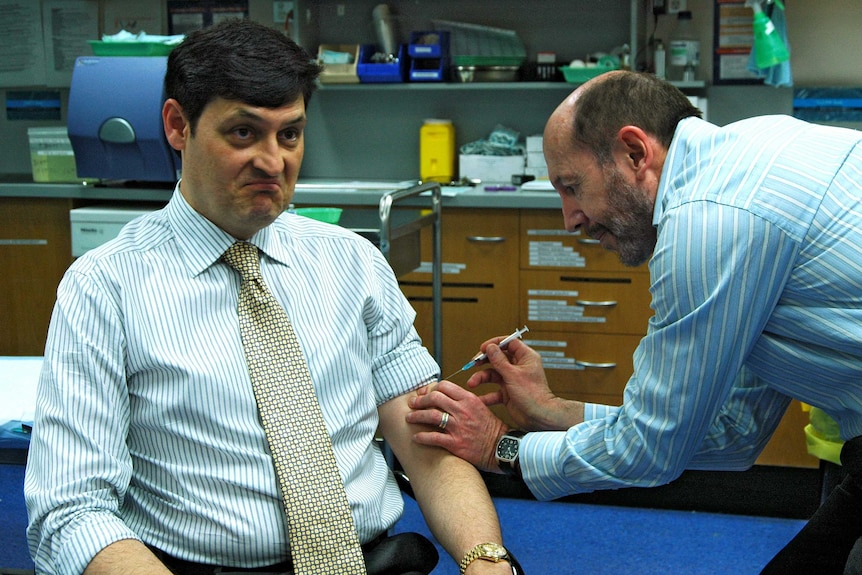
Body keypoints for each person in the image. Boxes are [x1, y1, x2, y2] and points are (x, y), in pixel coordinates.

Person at [24, 20, 517, 575]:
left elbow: (425, 443)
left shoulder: (350, 262)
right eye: (243, 133)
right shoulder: (104, 288)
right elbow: (73, 510)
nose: (272, 161)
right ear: (177, 125)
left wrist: (487, 558)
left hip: (371, 561)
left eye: (289, 134)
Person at [407, 70, 862, 574]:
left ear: (634, 153)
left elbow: (652, 449)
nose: (570, 219)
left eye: (572, 187)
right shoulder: (746, 168)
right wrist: (553, 410)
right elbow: (733, 433)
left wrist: (501, 448)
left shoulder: (709, 219)